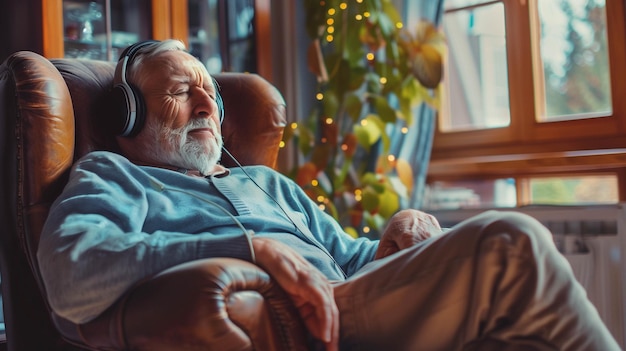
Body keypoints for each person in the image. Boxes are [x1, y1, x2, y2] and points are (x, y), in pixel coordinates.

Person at [36, 39, 620, 351]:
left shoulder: (265, 184)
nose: (210, 106)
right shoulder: (113, 176)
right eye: (182, 92)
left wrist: (406, 227)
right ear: (127, 116)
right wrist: (250, 247)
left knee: (515, 330)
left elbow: (357, 258)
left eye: (210, 91)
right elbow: (73, 275)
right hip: (302, 324)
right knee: (511, 243)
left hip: (354, 298)